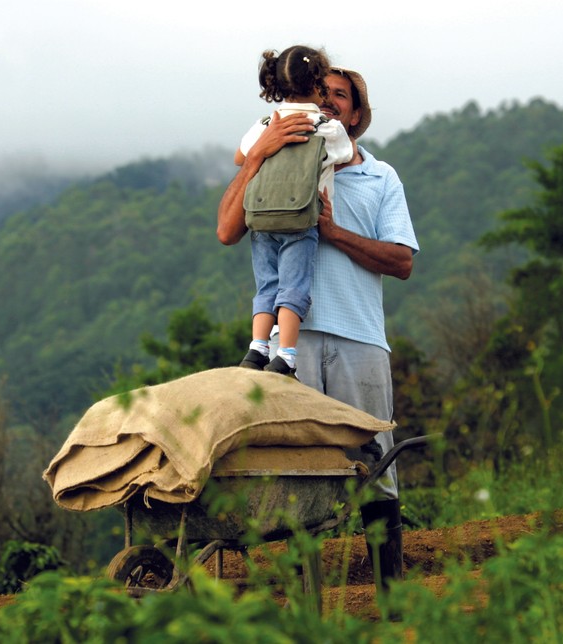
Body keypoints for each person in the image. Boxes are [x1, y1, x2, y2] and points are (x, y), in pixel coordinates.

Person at [217, 66, 419, 593]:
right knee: (295, 469)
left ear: (355, 115)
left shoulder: (381, 177)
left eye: (339, 96)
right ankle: (305, 600)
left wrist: (331, 232)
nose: (327, 101)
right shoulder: (275, 158)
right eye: (319, 92)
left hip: (360, 339)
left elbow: (401, 261)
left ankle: (390, 600)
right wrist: (259, 153)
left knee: (376, 466)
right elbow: (226, 231)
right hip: (291, 346)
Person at [235, 46, 353, 378]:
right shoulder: (327, 128)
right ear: (318, 84)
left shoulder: (263, 125)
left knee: (267, 286)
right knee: (293, 287)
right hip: (300, 218)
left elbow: (240, 157)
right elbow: (345, 155)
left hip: (261, 218)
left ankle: (258, 347)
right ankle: (286, 354)